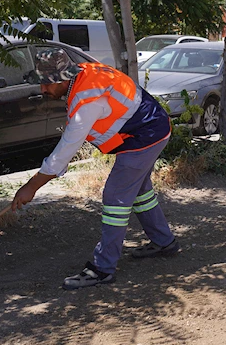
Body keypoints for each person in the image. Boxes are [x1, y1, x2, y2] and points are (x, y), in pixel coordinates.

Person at [11, 48, 178, 289]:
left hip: (145, 135)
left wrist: (31, 187)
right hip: (148, 128)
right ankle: (164, 241)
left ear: (64, 77)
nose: (43, 89)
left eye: (47, 83)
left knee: (115, 196)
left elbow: (65, 151)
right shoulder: (83, 76)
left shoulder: (87, 101)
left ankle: (103, 268)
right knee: (139, 191)